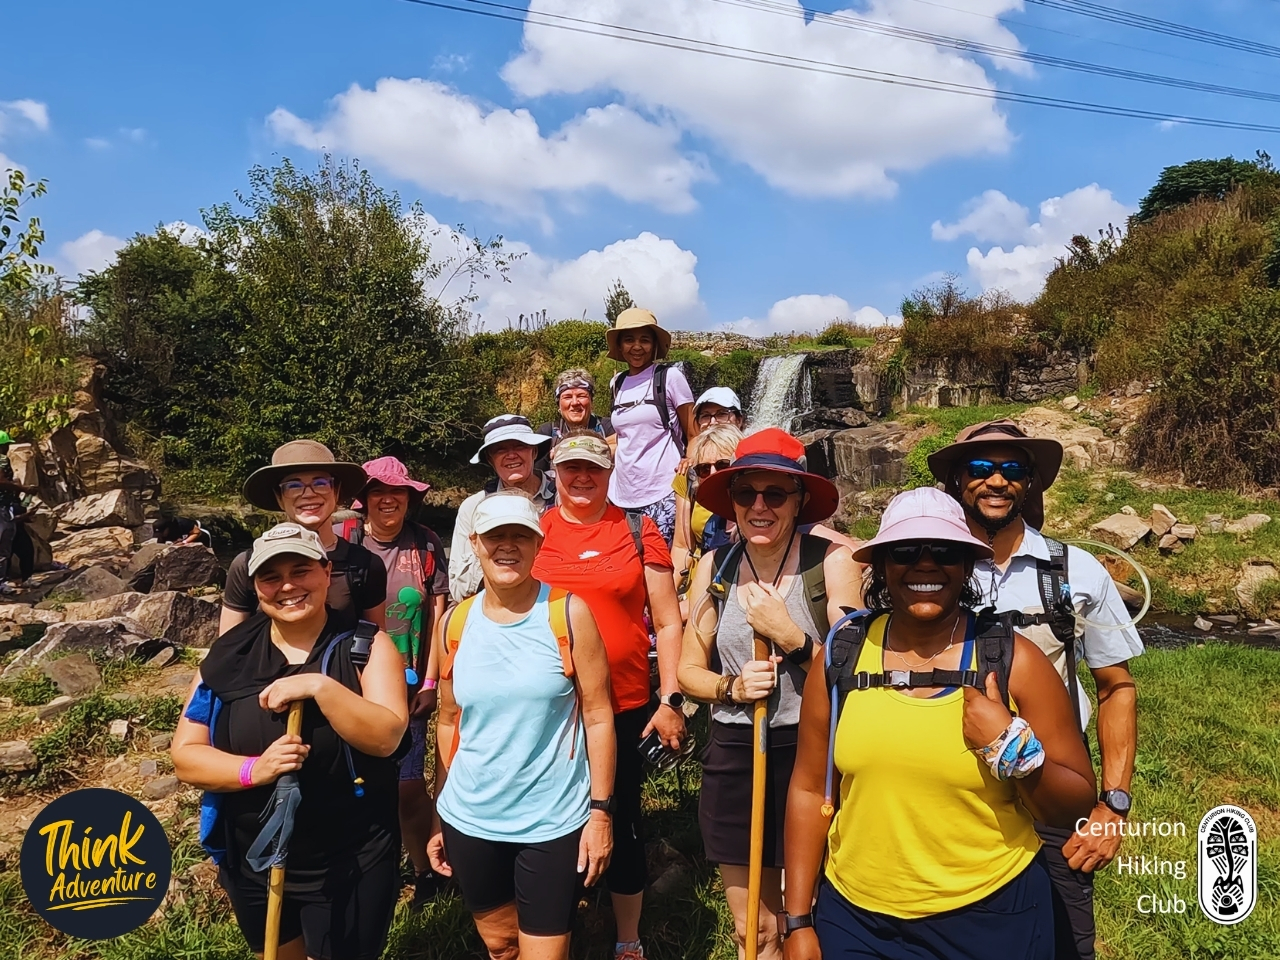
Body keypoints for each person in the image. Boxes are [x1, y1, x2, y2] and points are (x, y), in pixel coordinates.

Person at [781, 487, 1097, 960]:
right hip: (855, 920)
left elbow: (1073, 802)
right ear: (883, 564)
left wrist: (1013, 749)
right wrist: (798, 921)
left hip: (991, 917)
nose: (925, 564)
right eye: (906, 551)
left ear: (967, 564)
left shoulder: (1016, 662)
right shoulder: (841, 656)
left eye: (945, 551)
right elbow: (808, 789)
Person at [928, 420, 1144, 960]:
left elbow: (1116, 687)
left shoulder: (1079, 572)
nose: (995, 481)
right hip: (946, 793)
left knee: (1063, 943)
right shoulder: (922, 567)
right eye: (979, 469)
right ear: (957, 480)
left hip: (1050, 787)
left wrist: (1113, 804)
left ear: (1031, 484)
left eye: (1013, 470)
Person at [171, 523, 409, 960]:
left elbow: (388, 737)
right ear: (255, 585)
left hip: (351, 858)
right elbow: (186, 757)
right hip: (256, 860)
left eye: (300, 571)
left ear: (325, 571)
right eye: (271, 577)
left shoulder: (366, 647)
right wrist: (253, 770)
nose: (287, 586)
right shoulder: (225, 658)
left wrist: (322, 688)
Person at [678, 428, 862, 960]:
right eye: (745, 494)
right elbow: (689, 669)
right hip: (735, 753)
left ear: (800, 501)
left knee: (803, 920)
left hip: (812, 753)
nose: (759, 506)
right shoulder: (715, 568)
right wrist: (730, 686)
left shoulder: (831, 562)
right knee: (752, 931)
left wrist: (794, 639)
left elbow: (853, 666)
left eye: (775, 494)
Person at [429, 494, 617, 960]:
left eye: (520, 536)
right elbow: (449, 720)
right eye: (495, 536)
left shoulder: (568, 614)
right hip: (469, 819)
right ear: (475, 543)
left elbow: (597, 716)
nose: (507, 546)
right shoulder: (454, 622)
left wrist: (600, 813)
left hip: (550, 822)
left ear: (539, 544)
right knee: (499, 945)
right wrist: (439, 813)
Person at [532, 432, 685, 960]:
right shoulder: (534, 530)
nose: (581, 478)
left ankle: (627, 938)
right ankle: (555, 925)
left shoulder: (638, 531)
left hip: (622, 705)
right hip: (550, 708)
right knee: (550, 819)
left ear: (609, 472)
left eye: (593, 469)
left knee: (622, 816)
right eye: (571, 468)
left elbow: (667, 622)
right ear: (555, 471)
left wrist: (671, 699)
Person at [340, 456, 451, 909]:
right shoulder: (344, 540)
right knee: (354, 784)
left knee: (407, 787)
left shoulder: (424, 544)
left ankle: (424, 870)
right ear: (364, 500)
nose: (389, 500)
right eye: (378, 493)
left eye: (398, 492)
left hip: (409, 687)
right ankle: (363, 871)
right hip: (349, 684)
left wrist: (430, 680)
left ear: (410, 499)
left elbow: (437, 614)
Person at [220, 440, 387, 635]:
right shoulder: (247, 565)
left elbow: (376, 640)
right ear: (279, 497)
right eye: (293, 486)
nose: (309, 494)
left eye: (320, 483)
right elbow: (228, 648)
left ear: (336, 491)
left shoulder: (364, 565)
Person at [605, 308, 695, 546]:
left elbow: (694, 431)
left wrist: (690, 457)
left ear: (654, 345)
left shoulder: (670, 377)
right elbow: (627, 433)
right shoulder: (617, 383)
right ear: (621, 347)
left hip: (662, 492)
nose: (637, 347)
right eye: (629, 340)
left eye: (644, 340)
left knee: (661, 566)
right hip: (620, 494)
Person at [449, 414, 555, 603]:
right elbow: (459, 587)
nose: (511, 455)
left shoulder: (564, 499)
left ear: (534, 452)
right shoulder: (473, 508)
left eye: (519, 446)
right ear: (490, 460)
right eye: (500, 449)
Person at [671, 423, 742, 610]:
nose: (712, 474)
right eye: (704, 469)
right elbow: (681, 547)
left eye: (722, 465)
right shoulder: (714, 523)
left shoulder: (755, 523)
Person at [537, 368, 617, 452]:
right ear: (559, 405)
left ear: (591, 401)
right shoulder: (547, 433)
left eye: (581, 396)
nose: (575, 403)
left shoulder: (610, 427)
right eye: (567, 397)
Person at [0, 430, 37, 595]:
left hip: (11, 515)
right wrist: (23, 488)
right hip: (7, 516)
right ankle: (4, 582)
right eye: (6, 445)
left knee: (21, 549)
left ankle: (21, 578)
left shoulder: (12, 500)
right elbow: (1, 481)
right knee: (5, 550)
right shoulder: (1, 460)